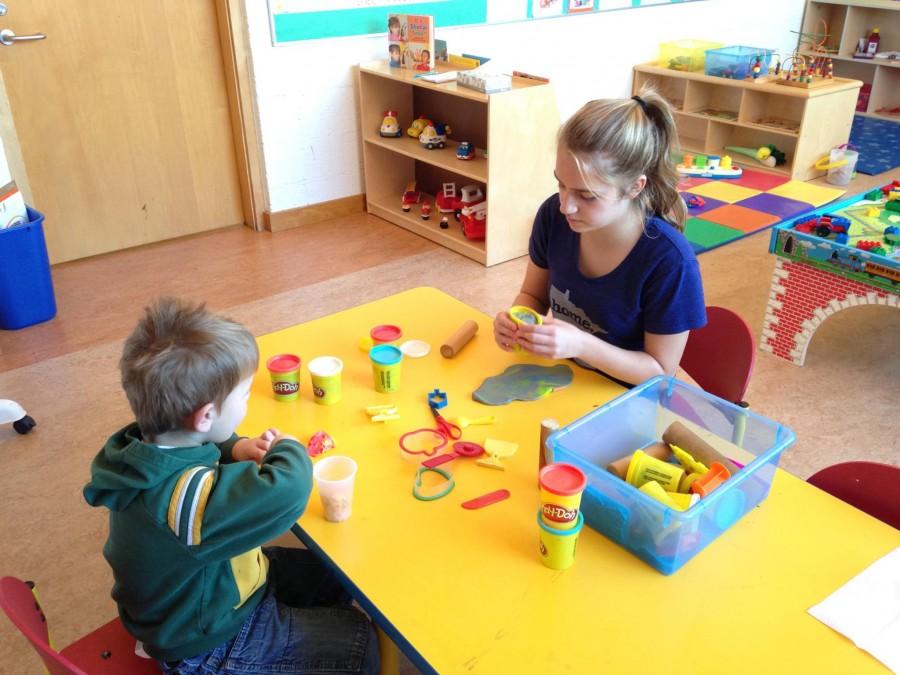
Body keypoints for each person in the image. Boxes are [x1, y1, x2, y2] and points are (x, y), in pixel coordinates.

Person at [83, 298, 379, 674]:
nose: (245, 405)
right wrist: (288, 448)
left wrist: (234, 446)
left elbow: (196, 446)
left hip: (210, 589)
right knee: (358, 639)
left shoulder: (146, 446)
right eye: (244, 395)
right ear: (205, 415)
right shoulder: (184, 503)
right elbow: (286, 490)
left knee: (331, 572)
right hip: (207, 641)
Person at [493, 89, 706, 386]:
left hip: (623, 401)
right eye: (561, 184)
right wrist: (517, 321)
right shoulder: (552, 217)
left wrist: (581, 345)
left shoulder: (670, 262)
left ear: (634, 187)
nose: (566, 205)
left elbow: (660, 372)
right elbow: (534, 295)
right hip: (565, 381)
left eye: (587, 195)